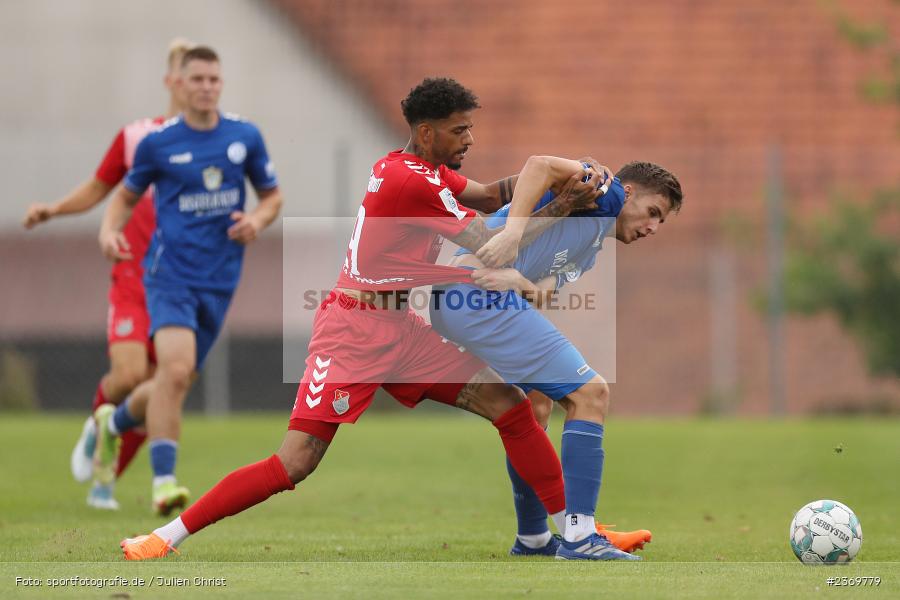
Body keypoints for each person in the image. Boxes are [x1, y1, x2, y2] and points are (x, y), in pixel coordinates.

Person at [117, 77, 613, 560]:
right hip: (352, 332)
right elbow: (490, 244)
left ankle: (576, 532)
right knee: (296, 462)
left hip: (403, 330)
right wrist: (565, 202)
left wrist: (558, 177)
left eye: (469, 129)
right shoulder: (408, 181)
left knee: (509, 405)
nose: (470, 139)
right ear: (426, 133)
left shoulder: (424, 171)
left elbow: (489, 195)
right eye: (459, 130)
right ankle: (166, 536)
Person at [430, 159, 683, 559]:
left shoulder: (591, 246)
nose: (653, 227)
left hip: (460, 299)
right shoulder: (607, 191)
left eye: (662, 222)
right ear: (630, 193)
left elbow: (542, 292)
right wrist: (512, 234)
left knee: (536, 406)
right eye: (653, 212)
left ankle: (533, 538)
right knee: (591, 394)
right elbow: (538, 165)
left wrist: (520, 282)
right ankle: (581, 536)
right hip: (473, 296)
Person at [96, 45, 283, 516]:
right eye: (197, 79)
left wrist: (257, 222)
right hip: (169, 275)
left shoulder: (245, 136)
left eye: (213, 79)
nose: (206, 87)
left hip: (220, 281)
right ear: (181, 84)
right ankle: (164, 483)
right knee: (175, 372)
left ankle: (112, 423)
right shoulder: (160, 143)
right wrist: (108, 230)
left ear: (221, 83)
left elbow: (272, 197)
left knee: (173, 381)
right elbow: (124, 196)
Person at [21, 38, 195, 510]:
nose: (197, 84)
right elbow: (100, 187)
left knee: (161, 386)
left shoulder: (214, 144)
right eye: (188, 74)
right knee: (129, 374)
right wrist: (53, 209)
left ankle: (107, 474)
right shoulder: (138, 136)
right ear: (171, 81)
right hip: (134, 274)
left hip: (181, 285)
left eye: (205, 77)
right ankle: (98, 422)